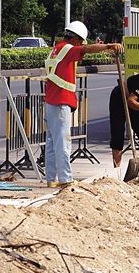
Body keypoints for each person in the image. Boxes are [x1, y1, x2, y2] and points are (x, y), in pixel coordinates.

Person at [44, 21, 122, 187]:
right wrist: (108, 46)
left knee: (52, 142)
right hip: (60, 102)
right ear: (76, 39)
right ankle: (65, 179)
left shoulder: (57, 48)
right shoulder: (69, 49)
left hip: (52, 100)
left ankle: (51, 179)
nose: (81, 45)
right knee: (63, 141)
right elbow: (87, 50)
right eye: (81, 42)